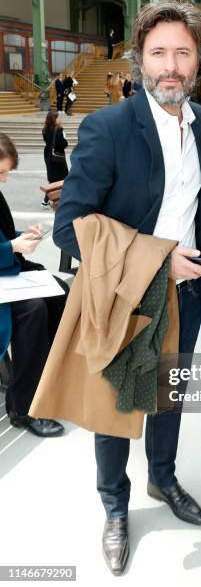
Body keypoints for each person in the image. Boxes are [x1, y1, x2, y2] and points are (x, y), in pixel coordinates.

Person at [53, 2, 201, 576]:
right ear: (140, 59)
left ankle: (163, 477)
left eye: (182, 53)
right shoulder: (109, 126)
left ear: (198, 61)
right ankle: (115, 507)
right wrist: (157, 260)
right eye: (158, 53)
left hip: (189, 295)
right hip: (125, 292)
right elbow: (68, 226)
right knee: (114, 409)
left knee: (168, 398)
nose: (170, 65)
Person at [0, 133, 67, 437]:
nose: (3, 180)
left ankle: (45, 383)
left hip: (7, 273)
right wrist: (12, 247)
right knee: (33, 310)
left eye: (6, 172)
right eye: (0, 172)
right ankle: (22, 406)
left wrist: (21, 237)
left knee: (59, 293)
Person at [41, 110, 69, 207]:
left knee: (53, 178)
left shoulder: (45, 130)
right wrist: (62, 132)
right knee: (62, 178)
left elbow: (48, 141)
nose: (59, 119)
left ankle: (47, 201)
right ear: (54, 119)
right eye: (58, 117)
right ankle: (54, 201)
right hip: (57, 157)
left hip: (48, 155)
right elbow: (63, 144)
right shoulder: (57, 131)